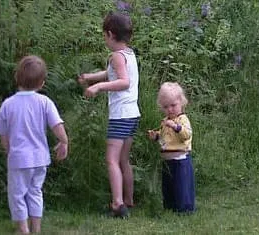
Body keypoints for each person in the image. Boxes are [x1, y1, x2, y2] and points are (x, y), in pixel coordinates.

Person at [0, 55, 68, 234]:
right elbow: (57, 125)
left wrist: (8, 151)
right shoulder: (44, 102)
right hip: (40, 158)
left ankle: (23, 229)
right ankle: (36, 228)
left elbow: (3, 134)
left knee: (17, 195)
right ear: (42, 83)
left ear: (16, 77)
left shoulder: (8, 104)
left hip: (18, 159)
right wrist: (64, 141)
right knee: (35, 192)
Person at [77, 12, 140, 218]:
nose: (104, 39)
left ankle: (117, 204)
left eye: (104, 35)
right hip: (132, 115)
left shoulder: (116, 56)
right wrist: (90, 78)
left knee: (111, 160)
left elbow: (123, 81)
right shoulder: (128, 54)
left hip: (121, 115)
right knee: (123, 160)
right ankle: (129, 201)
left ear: (111, 34)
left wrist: (98, 88)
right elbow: (110, 73)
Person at [147, 82, 195, 213]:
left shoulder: (182, 120)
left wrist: (175, 127)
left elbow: (186, 135)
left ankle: (185, 208)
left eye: (173, 105)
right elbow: (165, 139)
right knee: (168, 185)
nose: (170, 109)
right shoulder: (165, 121)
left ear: (181, 102)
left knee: (182, 184)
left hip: (180, 158)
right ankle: (170, 206)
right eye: (166, 107)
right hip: (167, 159)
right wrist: (156, 136)